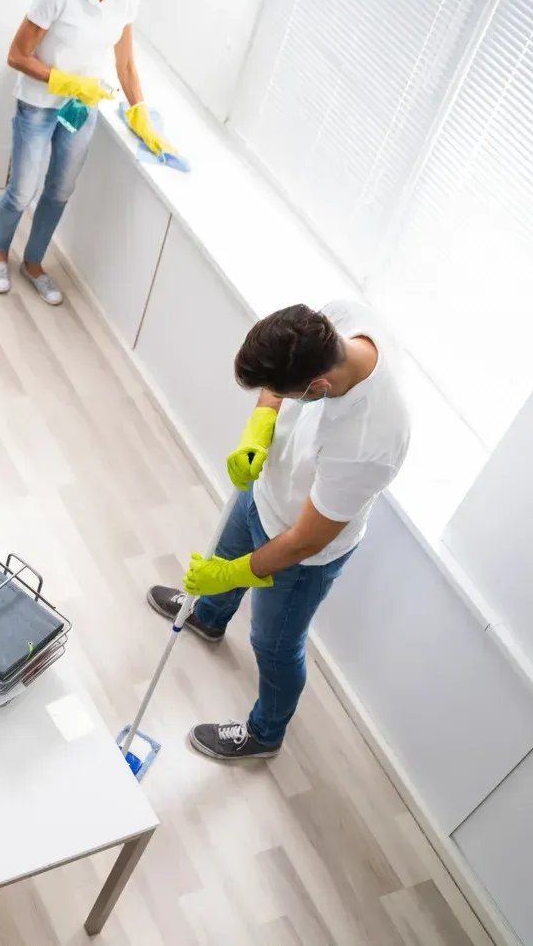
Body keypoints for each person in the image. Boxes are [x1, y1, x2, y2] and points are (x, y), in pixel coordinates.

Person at [147, 303, 411, 761]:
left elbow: (307, 540)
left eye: (287, 395)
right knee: (226, 558)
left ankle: (265, 733)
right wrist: (260, 426)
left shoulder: (372, 439)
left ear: (319, 387)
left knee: (274, 645)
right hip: (265, 491)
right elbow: (276, 381)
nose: (277, 395)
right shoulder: (336, 321)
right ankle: (208, 617)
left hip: (302, 554)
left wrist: (231, 574)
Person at [0, 0, 174, 307]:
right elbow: (16, 55)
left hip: (80, 108)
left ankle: (34, 264)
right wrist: (66, 82)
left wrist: (141, 112)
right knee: (22, 191)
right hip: (39, 105)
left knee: (59, 191)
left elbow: (125, 64)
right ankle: (0, 254)